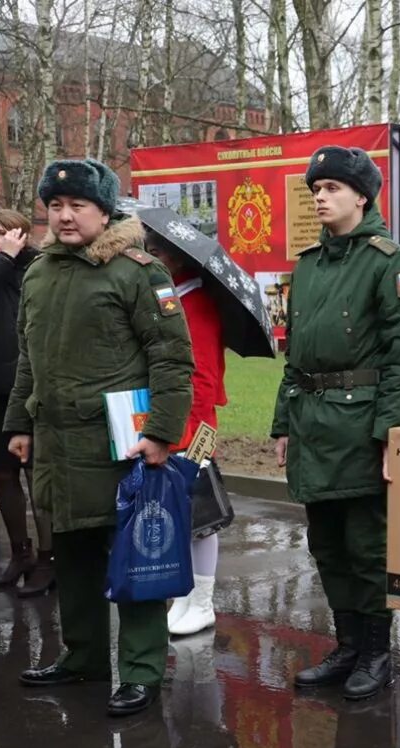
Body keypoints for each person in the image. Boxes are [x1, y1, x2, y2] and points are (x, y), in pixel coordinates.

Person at [4, 158, 195, 717]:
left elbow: (171, 359)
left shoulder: (138, 272)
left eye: (77, 206)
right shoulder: (38, 272)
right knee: (74, 553)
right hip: (57, 446)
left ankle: (140, 671)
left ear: (104, 211)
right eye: (55, 206)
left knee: (137, 559)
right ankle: (83, 657)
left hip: (119, 446)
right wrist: (19, 423)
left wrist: (161, 433)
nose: (64, 216)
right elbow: (27, 359)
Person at [271, 146, 400, 701]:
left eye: (332, 188)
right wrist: (283, 424)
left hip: (360, 428)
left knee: (367, 547)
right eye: (316, 189)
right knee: (327, 545)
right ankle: (347, 644)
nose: (320, 197)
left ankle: (378, 650)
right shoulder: (308, 265)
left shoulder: (392, 264)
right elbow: (295, 359)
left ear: (362, 195)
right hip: (313, 426)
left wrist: (389, 434)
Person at [143, 227, 227, 636]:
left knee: (200, 512)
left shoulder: (197, 303)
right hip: (180, 424)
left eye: (156, 250)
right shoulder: (174, 298)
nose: (148, 256)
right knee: (180, 512)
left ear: (177, 258)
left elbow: (204, 377)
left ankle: (203, 603)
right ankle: (185, 597)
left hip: (195, 427)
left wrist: (185, 433)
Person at [0, 208, 54, 596]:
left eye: (2, 232)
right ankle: (20, 552)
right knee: (3, 475)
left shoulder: (37, 270)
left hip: (30, 392)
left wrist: (11, 259)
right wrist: (1, 259)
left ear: (22, 235)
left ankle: (48, 559)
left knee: (37, 476)